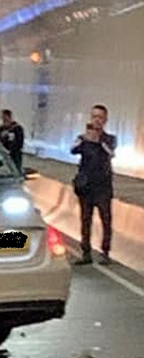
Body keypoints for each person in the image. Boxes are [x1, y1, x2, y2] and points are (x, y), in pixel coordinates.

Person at [71, 104, 117, 265]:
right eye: (94, 117)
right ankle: (86, 252)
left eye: (100, 117)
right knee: (85, 219)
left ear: (105, 120)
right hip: (86, 187)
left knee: (106, 219)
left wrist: (98, 141)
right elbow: (72, 149)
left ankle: (105, 252)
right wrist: (84, 139)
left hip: (103, 187)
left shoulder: (109, 139)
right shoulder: (83, 138)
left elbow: (111, 153)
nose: (96, 120)